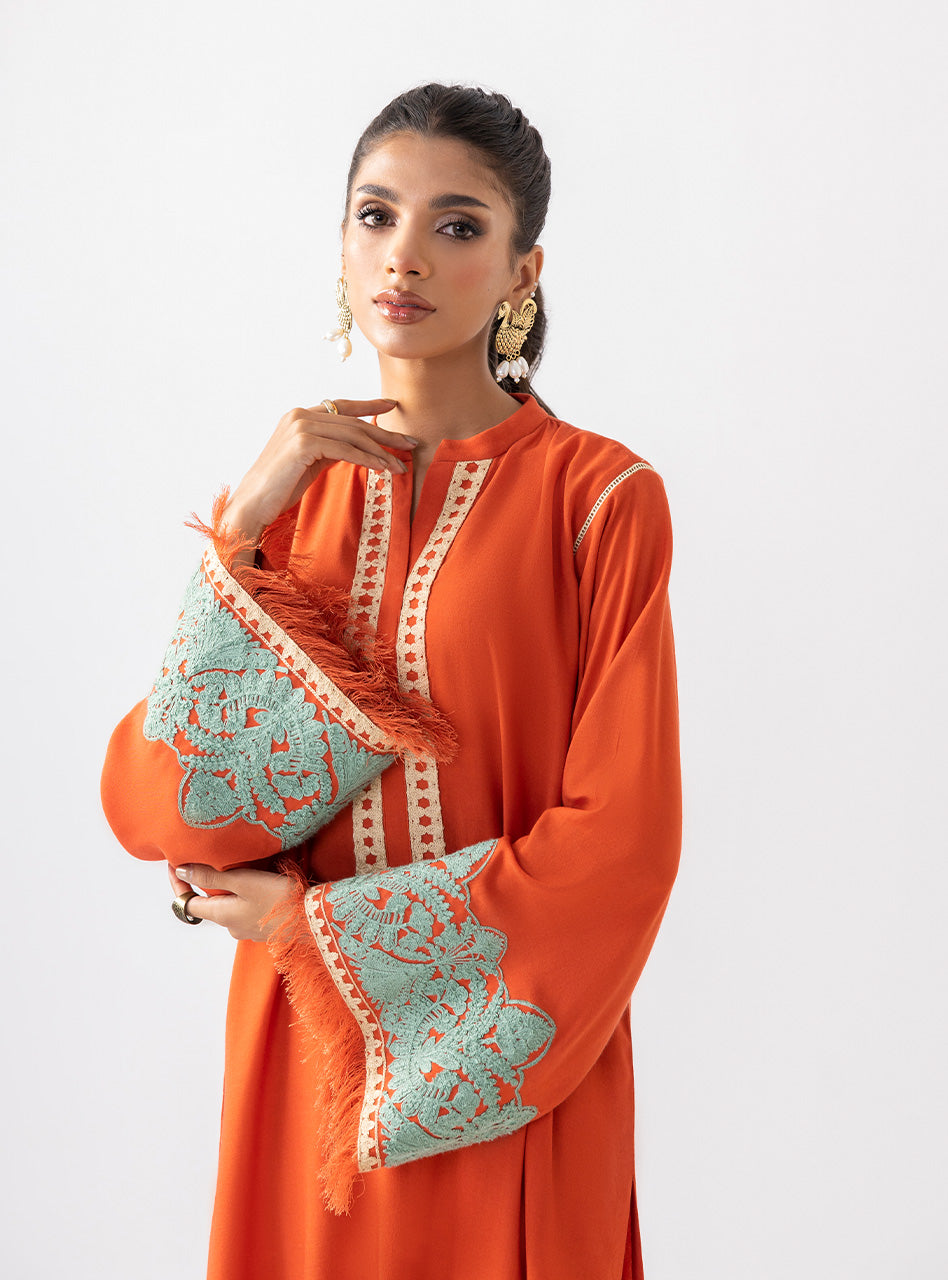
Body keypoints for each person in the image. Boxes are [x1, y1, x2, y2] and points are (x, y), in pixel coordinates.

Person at [101, 82, 682, 1280]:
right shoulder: (288, 507)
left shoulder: (598, 500)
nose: (404, 255)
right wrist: (241, 530)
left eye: (457, 225)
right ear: (342, 243)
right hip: (303, 1061)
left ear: (522, 271)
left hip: (507, 1054)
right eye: (376, 215)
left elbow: (625, 839)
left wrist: (310, 926)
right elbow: (163, 804)